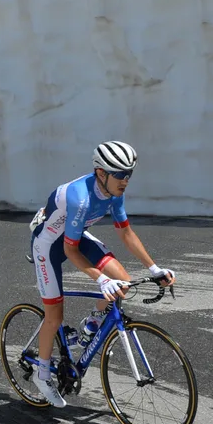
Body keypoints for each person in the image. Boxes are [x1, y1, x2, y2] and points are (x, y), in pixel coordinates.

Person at [27, 141, 176, 407]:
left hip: (74, 236)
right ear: (101, 173)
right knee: (54, 315)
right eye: (120, 174)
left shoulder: (114, 191)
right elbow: (70, 251)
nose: (125, 180)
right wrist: (101, 279)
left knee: (125, 283)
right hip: (48, 245)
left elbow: (126, 233)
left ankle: (91, 325)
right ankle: (41, 374)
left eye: (129, 174)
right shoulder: (80, 198)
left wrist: (154, 269)